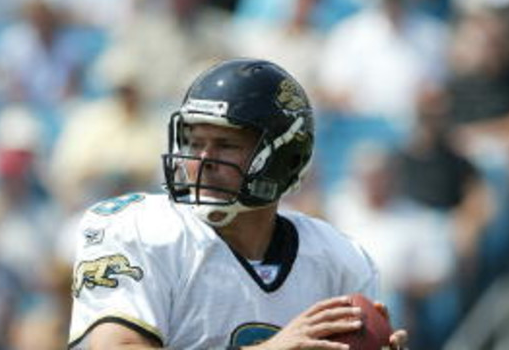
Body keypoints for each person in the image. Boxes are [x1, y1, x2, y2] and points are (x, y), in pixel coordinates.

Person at [67, 58, 408, 349]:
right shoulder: (141, 230)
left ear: (284, 158)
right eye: (195, 142)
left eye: (226, 145)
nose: (203, 159)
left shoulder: (338, 259)